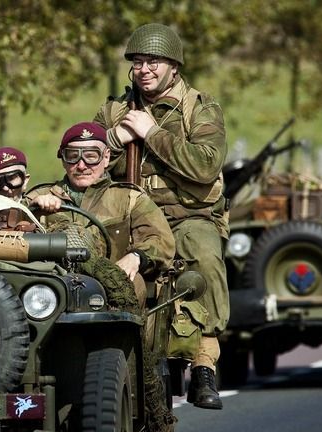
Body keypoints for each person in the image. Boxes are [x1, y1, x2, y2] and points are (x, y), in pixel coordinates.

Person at [93, 23, 228, 409]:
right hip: (130, 218)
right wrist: (113, 141)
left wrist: (152, 133)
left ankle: (204, 364)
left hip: (187, 216)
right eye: (137, 62)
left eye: (153, 61)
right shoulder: (113, 111)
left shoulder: (199, 108)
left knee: (203, 254)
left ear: (174, 67)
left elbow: (205, 166)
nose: (144, 69)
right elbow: (85, 165)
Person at [26, 122, 175, 287]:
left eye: (91, 156)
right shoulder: (39, 196)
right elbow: (1, 234)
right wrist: (30, 212)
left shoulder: (129, 199)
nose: (81, 166)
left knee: (135, 283)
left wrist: (136, 257)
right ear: (63, 159)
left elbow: (161, 241)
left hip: (110, 287)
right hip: (50, 288)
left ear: (106, 157)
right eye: (73, 156)